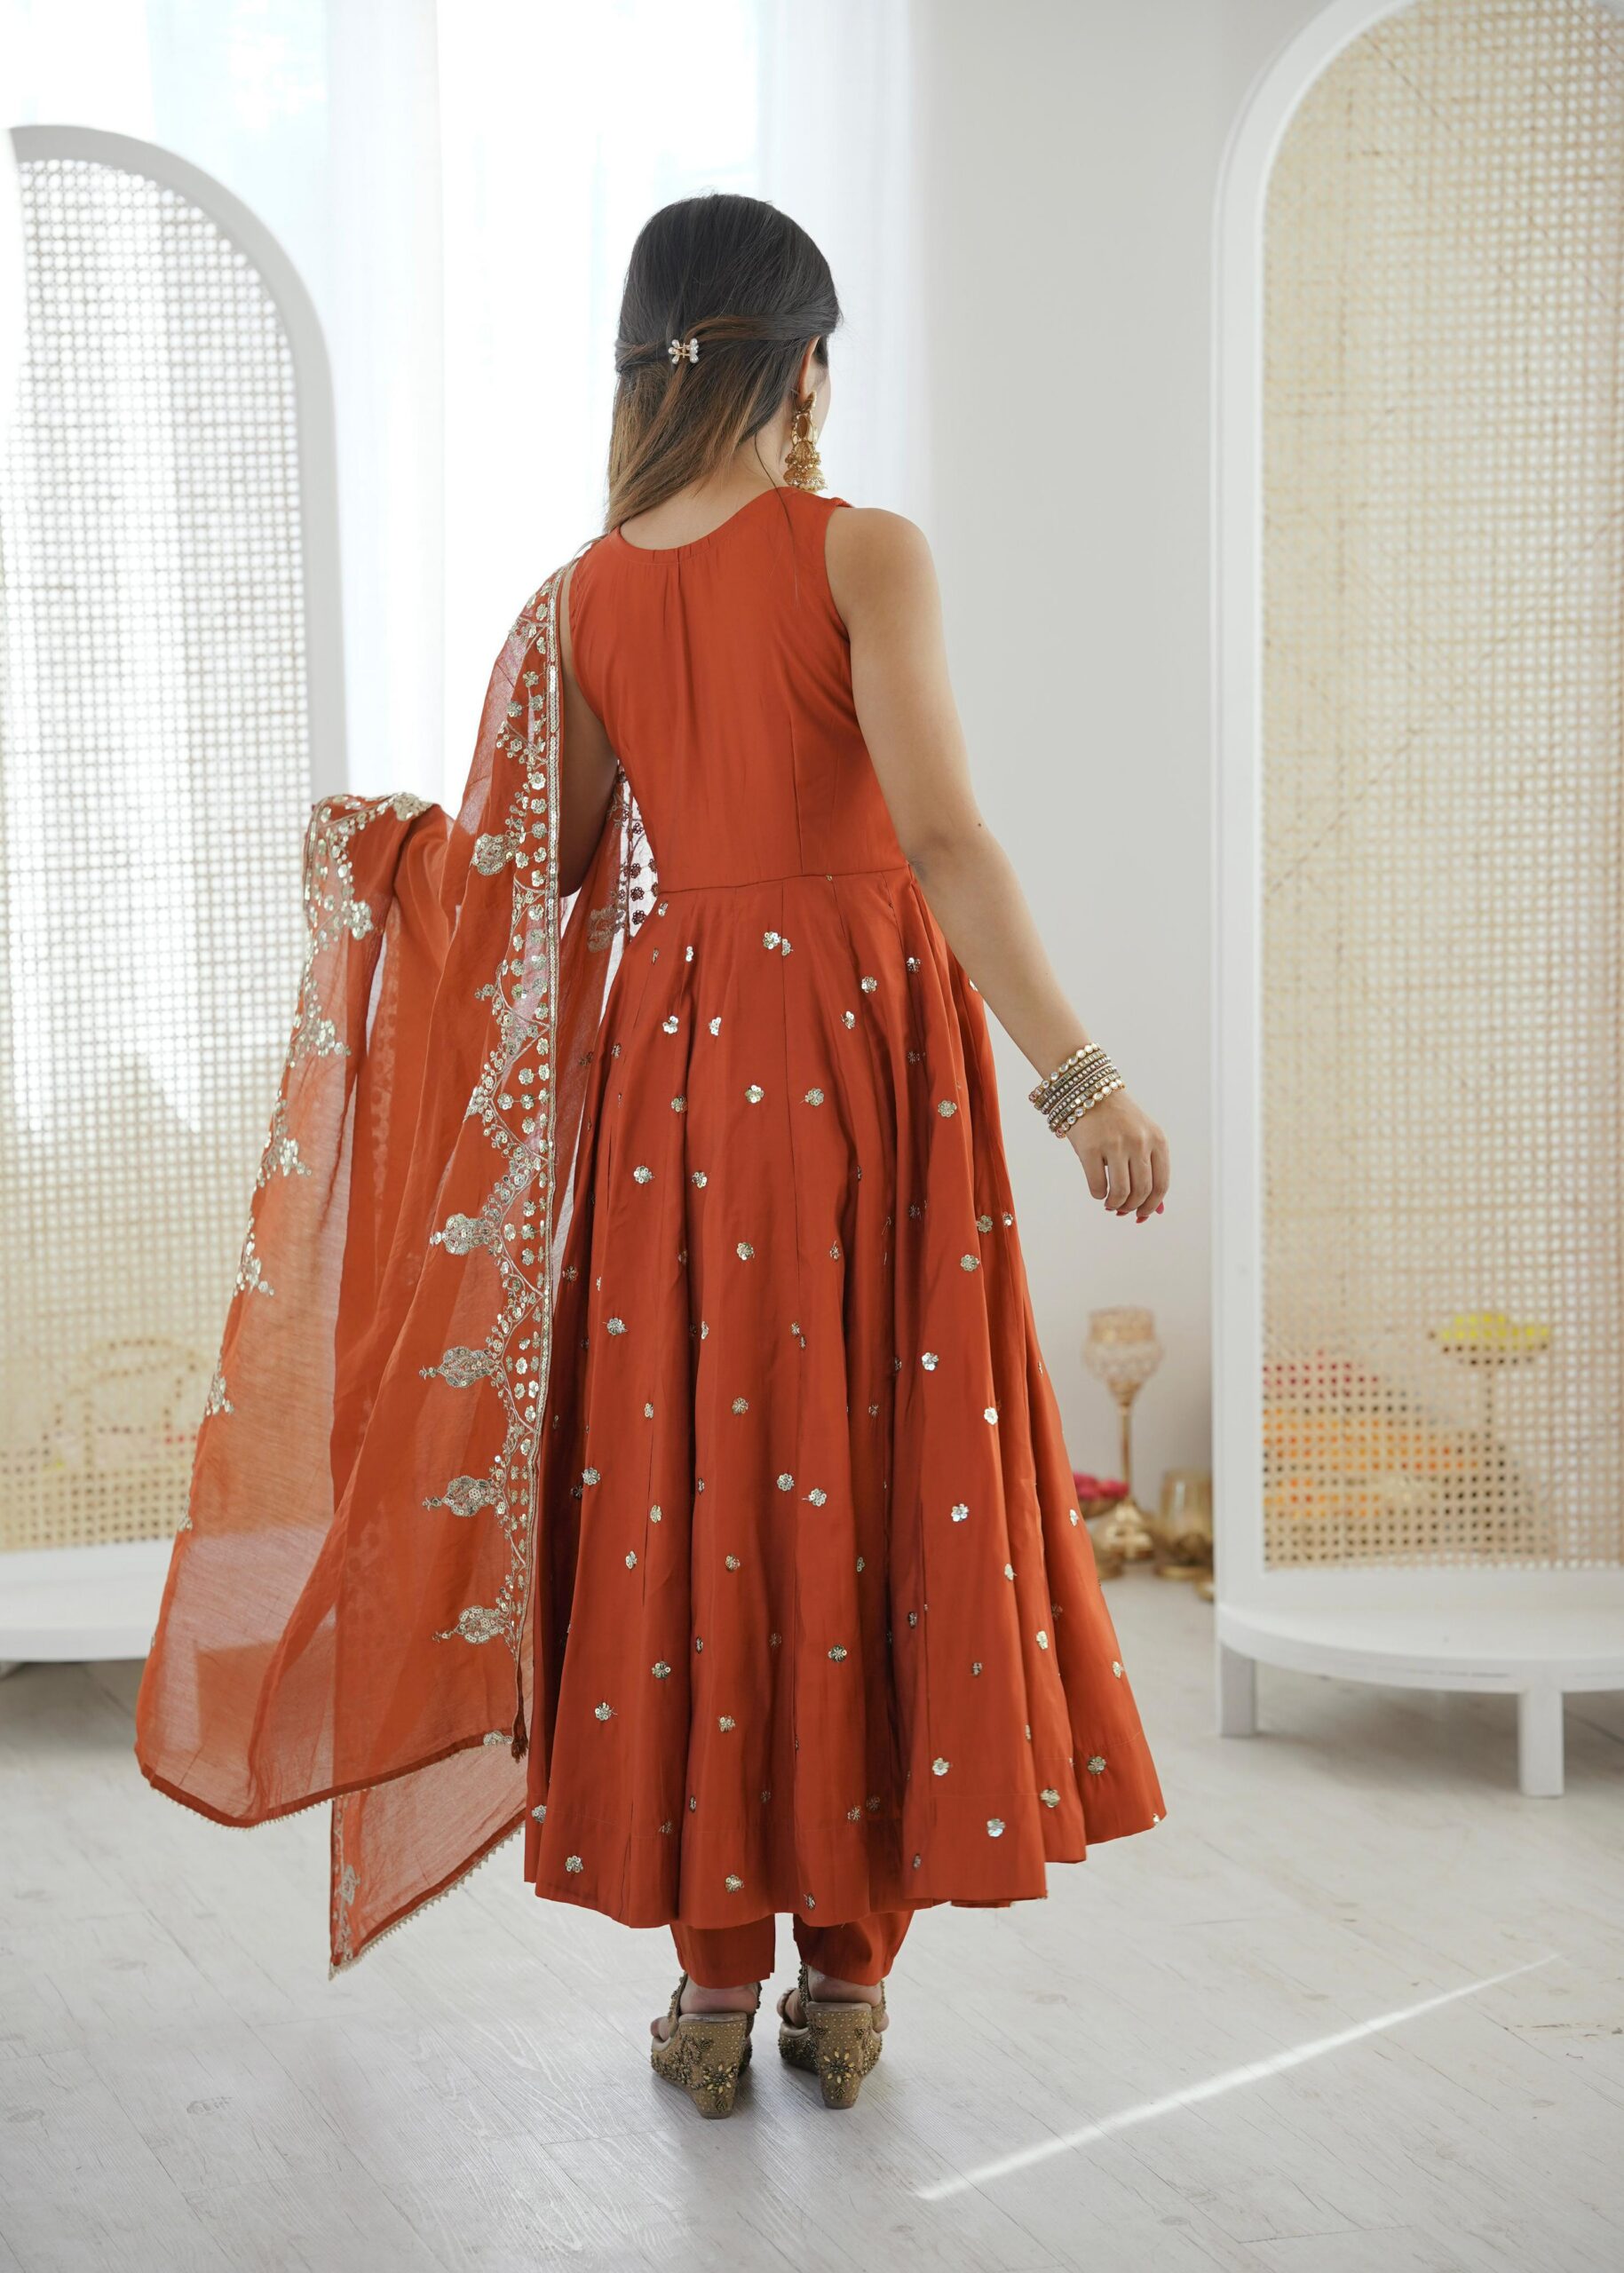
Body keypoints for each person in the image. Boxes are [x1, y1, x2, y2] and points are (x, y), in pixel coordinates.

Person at [134, 191, 1168, 2121]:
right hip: (860, 1055)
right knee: (866, 1467)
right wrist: (1084, 1079)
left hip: (678, 1075)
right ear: (805, 365)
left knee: (699, 1475)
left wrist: (384, 862)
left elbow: (521, 887)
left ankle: (711, 1979)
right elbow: (941, 837)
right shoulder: (861, 550)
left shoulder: (581, 601)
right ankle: (846, 1976)